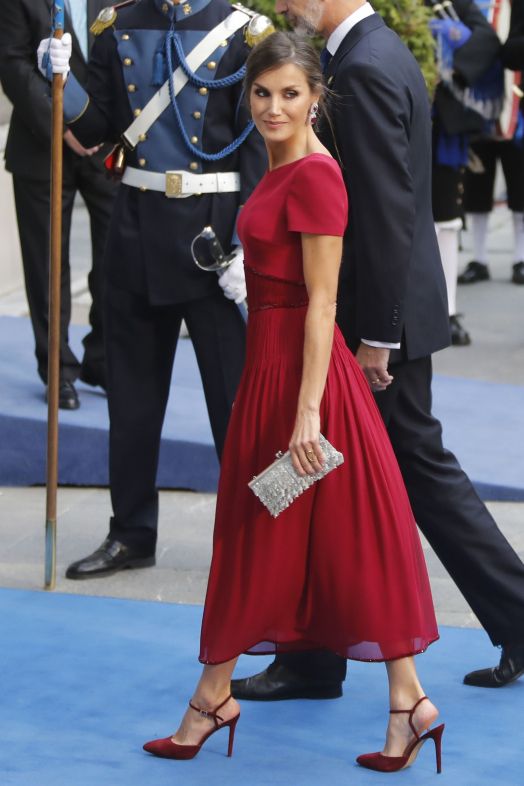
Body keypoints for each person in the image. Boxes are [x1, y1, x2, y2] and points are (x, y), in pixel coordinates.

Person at [143, 32, 444, 773]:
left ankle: (213, 698)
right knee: (341, 540)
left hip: (303, 389)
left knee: (267, 536)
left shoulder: (314, 176)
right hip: (274, 373)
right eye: (262, 92)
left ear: (318, 97)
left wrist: (307, 412)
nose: (274, 107)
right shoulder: (280, 167)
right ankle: (408, 702)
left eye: (290, 93)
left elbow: (321, 305)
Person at [232, 0, 524, 700]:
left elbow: (387, 209)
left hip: (368, 325)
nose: (283, 5)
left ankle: (316, 655)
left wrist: (376, 337)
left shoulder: (360, 68)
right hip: (379, 315)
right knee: (331, 478)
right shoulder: (377, 50)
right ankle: (313, 654)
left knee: (379, 473)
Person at [39, 0, 268, 577]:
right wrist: (60, 79)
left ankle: (250, 540)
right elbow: (98, 132)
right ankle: (131, 531)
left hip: (213, 241)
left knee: (234, 405)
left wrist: (250, 243)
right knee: (133, 402)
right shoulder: (118, 24)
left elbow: (258, 149)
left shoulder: (244, 31)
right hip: (137, 230)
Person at [0, 0, 118, 409]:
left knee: (113, 262)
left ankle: (101, 360)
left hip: (108, 147)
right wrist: (62, 122)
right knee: (47, 268)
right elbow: (12, 62)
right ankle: (58, 371)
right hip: (40, 143)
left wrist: (106, 123)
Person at [429, 0, 502, 345]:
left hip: (443, 124)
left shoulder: (452, 3)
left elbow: (487, 38)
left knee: (446, 221)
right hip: (393, 121)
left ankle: (448, 310)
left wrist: (452, 67)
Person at [459, 0, 524, 287]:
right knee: (477, 188)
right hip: (475, 106)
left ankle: (520, 258)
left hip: (517, 109)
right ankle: (479, 258)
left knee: (520, 188)